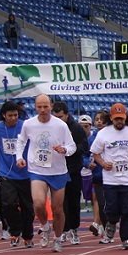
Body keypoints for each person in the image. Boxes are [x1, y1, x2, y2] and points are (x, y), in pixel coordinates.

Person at [16, 94, 77, 252]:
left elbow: (72, 146)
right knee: (38, 203)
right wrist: (19, 157)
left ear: (51, 106)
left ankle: (57, 238)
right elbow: (21, 141)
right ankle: (45, 227)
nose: (43, 110)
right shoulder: (29, 124)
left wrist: (64, 150)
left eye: (45, 107)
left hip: (58, 171)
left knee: (57, 208)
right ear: (35, 107)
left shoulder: (60, 125)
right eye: (39, 107)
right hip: (37, 169)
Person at [91, 103, 128, 250]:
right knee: (112, 209)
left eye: (121, 118)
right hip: (111, 178)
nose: (119, 122)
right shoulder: (103, 133)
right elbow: (95, 152)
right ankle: (111, 221)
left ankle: (127, 238)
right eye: (116, 119)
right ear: (111, 118)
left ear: (126, 117)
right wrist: (102, 163)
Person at [0, 101, 34, 247]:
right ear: (3, 115)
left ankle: (28, 236)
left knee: (28, 207)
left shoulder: (25, 126)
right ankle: (15, 231)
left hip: (25, 173)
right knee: (8, 204)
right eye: (10, 115)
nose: (13, 118)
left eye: (15, 115)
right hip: (6, 173)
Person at [52, 102, 88, 246]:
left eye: (61, 117)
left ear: (67, 115)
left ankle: (74, 228)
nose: (58, 120)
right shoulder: (51, 127)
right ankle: (63, 230)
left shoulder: (77, 128)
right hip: (56, 170)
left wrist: (68, 150)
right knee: (60, 203)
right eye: (56, 117)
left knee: (73, 201)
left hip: (73, 170)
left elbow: (84, 146)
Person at [79, 113, 107, 237]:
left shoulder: (113, 136)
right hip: (97, 175)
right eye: (97, 120)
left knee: (107, 202)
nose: (99, 122)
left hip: (113, 176)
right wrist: (87, 164)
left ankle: (100, 224)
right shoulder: (91, 139)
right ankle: (100, 225)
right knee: (97, 199)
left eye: (102, 120)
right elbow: (84, 155)